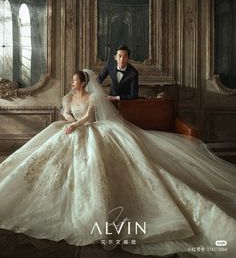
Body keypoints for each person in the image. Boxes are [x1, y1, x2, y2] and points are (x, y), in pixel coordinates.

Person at [0, 69, 236, 258]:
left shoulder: (92, 97)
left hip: (89, 129)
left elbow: (88, 117)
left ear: (83, 83)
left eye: (75, 81)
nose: (72, 84)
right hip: (70, 129)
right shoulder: (68, 97)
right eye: (72, 81)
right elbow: (66, 113)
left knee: (97, 158)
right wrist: (69, 121)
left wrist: (77, 124)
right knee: (44, 153)